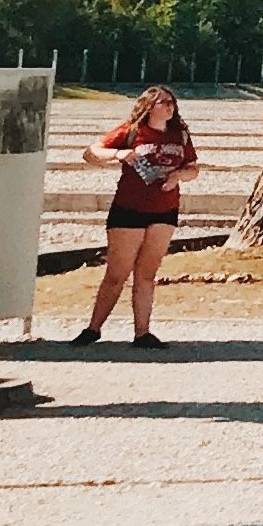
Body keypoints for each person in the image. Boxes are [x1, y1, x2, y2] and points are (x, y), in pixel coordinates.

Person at [71, 83, 195, 347]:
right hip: (129, 209)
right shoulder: (132, 131)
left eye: (172, 102)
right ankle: (93, 329)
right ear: (149, 106)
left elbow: (193, 167)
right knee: (117, 273)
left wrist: (178, 176)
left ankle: (142, 333)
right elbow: (91, 152)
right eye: (163, 102)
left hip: (165, 210)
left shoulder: (180, 135)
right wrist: (119, 154)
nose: (170, 107)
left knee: (147, 274)